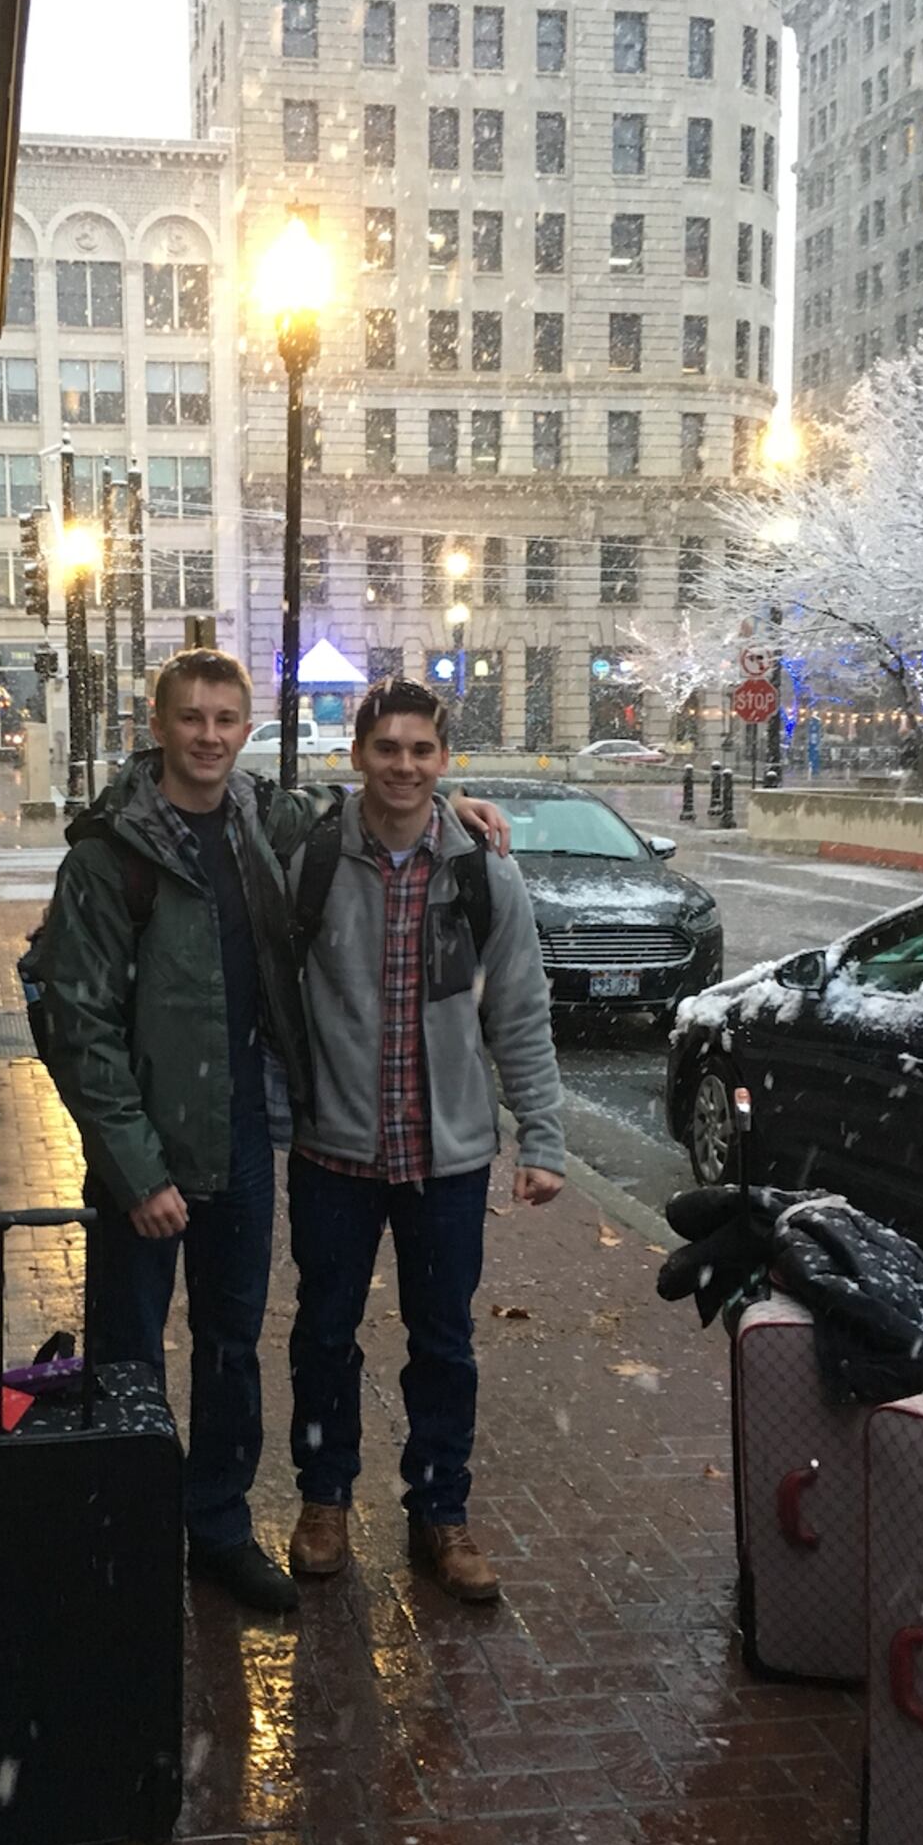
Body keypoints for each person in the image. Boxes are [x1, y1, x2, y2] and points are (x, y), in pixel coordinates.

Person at [26, 650, 511, 1615]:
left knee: (232, 1346)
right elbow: (76, 1029)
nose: (208, 735)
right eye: (191, 717)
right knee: (129, 1351)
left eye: (226, 719)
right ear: (158, 723)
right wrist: (134, 1168)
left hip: (244, 1134)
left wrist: (463, 812)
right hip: (146, 1154)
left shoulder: (259, 819)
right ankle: (125, 1529)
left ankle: (216, 1527)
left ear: (245, 730)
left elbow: (378, 803)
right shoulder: (109, 853)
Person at [284, 677, 566, 1604]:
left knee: (443, 1342)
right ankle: (324, 1498)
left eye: (421, 750)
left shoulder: (483, 872)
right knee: (325, 1334)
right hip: (335, 1152)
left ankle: (440, 1511)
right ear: (357, 753)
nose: (403, 764)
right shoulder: (314, 858)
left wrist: (543, 1139)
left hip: (444, 1159)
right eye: (386, 747)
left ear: (444, 762)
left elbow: (520, 1013)